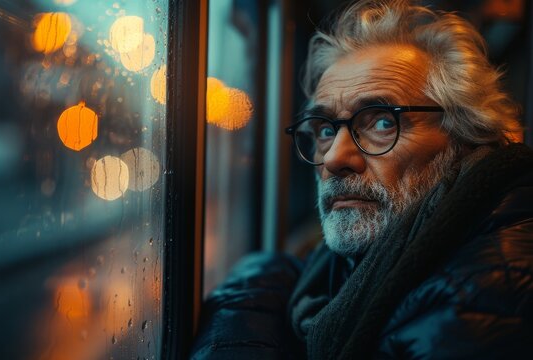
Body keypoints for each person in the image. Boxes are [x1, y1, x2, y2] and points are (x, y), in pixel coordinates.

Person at [191, 0, 533, 358]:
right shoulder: (326, 270)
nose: (335, 158)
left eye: (382, 122)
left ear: (465, 138)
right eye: (324, 129)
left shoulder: (487, 293)